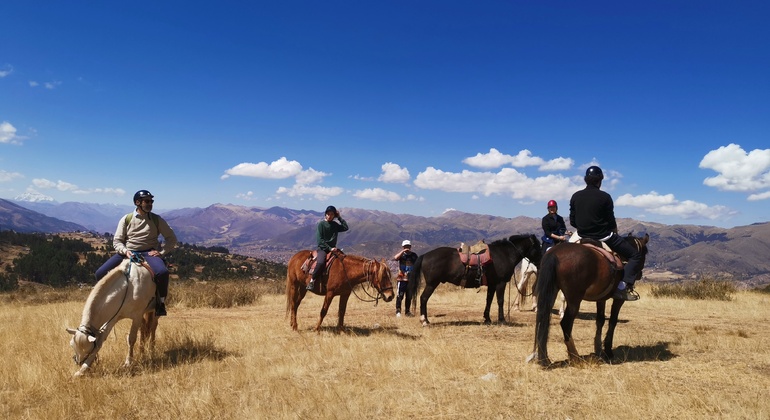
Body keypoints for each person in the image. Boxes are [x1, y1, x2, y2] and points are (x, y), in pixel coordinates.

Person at [95, 190, 178, 316]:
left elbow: (171, 238)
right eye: (147, 201)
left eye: (151, 201)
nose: (150, 204)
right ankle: (104, 300)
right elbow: (117, 241)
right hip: (127, 252)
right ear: (137, 202)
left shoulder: (157, 220)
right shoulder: (126, 219)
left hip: (149, 253)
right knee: (100, 273)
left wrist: (161, 252)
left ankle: (160, 303)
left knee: (162, 272)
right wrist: (125, 251)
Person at [569, 166, 643, 301]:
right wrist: (611, 230)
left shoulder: (575, 196)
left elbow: (573, 221)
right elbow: (610, 220)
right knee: (635, 255)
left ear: (586, 180)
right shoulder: (605, 197)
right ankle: (622, 288)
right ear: (600, 181)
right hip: (603, 236)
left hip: (581, 235)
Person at [307, 205, 349, 290]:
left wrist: (339, 217)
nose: (330, 216)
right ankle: (312, 281)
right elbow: (320, 240)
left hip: (333, 249)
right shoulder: (321, 224)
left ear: (334, 216)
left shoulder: (335, 225)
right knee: (321, 263)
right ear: (325, 214)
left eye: (332, 214)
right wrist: (330, 248)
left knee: (343, 261)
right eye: (328, 214)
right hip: (323, 249)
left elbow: (345, 227)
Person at [393, 239, 418, 317]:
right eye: (405, 246)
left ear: (410, 247)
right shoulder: (401, 255)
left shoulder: (414, 255)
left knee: (409, 296)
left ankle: (407, 311)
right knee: (400, 295)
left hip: (411, 279)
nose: (407, 248)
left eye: (408, 246)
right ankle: (398, 310)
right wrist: (402, 251)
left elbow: (417, 264)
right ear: (403, 247)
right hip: (402, 278)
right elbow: (395, 258)